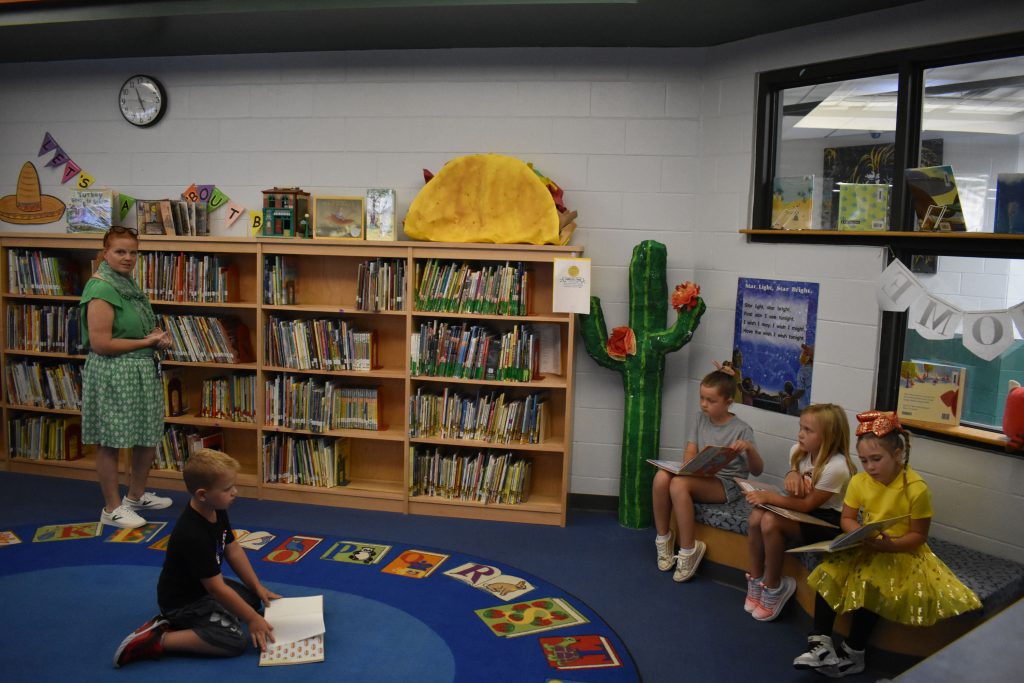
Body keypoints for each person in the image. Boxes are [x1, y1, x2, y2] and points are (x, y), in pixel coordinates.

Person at [793, 411, 982, 678]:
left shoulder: (916, 489)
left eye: (876, 459)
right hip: (867, 543)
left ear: (898, 454)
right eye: (864, 460)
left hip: (901, 550)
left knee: (872, 581)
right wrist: (857, 533)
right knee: (830, 571)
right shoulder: (860, 481)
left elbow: (918, 536)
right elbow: (847, 518)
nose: (869, 467)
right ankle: (820, 643)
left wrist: (888, 546)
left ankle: (855, 651)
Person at [113, 449, 282, 668]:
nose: (235, 492)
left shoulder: (216, 507)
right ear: (203, 494)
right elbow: (217, 589)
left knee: (251, 600)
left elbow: (232, 549)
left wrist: (257, 587)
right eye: (228, 488)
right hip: (183, 603)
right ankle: (158, 638)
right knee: (234, 641)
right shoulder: (192, 533)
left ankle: (202, 622)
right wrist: (252, 619)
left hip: (203, 587)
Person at [80, 225, 174, 529]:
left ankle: (135, 496)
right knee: (111, 439)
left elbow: (135, 329)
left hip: (140, 368)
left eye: (133, 252)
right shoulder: (101, 287)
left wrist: (157, 339)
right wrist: (147, 342)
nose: (128, 257)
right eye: (120, 251)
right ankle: (111, 508)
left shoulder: (127, 283)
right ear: (105, 253)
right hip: (114, 370)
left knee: (147, 434)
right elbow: (101, 343)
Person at [744, 403, 855, 621]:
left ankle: (774, 587)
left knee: (769, 521)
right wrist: (792, 473)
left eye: (808, 430)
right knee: (757, 515)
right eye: (800, 427)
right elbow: (796, 477)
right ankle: (756, 578)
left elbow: (807, 506)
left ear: (829, 435)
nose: (800, 434)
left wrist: (768, 496)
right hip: (806, 513)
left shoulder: (837, 467)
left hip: (828, 521)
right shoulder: (798, 451)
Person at [652, 367, 763, 582]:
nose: (704, 404)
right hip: (702, 477)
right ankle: (663, 538)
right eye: (702, 398)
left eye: (711, 400)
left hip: (728, 485)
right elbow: (690, 454)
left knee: (678, 486)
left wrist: (748, 448)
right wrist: (688, 468)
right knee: (661, 478)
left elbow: (757, 470)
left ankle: (688, 550)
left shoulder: (742, 429)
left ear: (728, 401)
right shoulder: (700, 419)